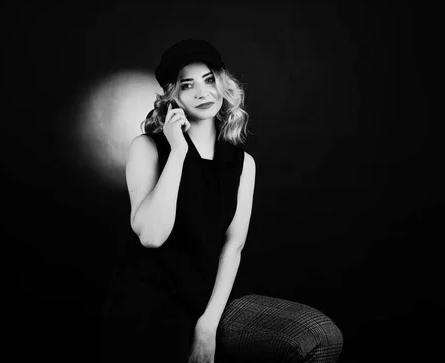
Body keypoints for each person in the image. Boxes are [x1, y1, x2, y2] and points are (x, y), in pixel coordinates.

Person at [101, 39, 343, 363]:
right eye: (188, 85)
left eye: (209, 80)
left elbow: (233, 247)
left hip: (215, 298)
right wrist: (178, 153)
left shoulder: (243, 164)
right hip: (152, 301)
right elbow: (151, 235)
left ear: (222, 84)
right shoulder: (147, 148)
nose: (203, 93)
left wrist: (208, 325)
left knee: (321, 336)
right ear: (173, 96)